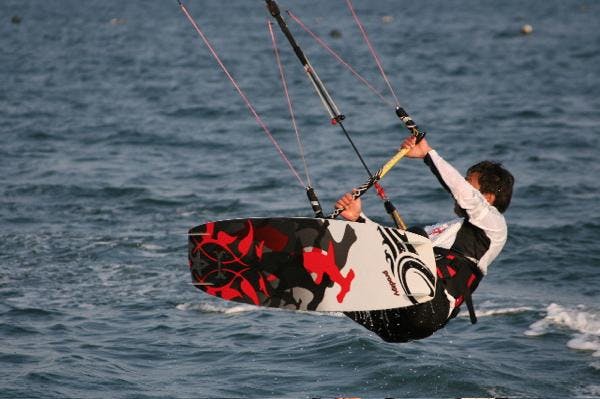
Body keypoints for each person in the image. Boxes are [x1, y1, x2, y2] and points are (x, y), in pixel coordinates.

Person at [335, 135, 515, 342]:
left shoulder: (495, 225)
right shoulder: (447, 229)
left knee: (415, 238)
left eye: (468, 182)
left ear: (488, 197)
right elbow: (392, 242)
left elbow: (463, 193)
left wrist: (428, 154)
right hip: (397, 326)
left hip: (429, 310)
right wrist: (358, 218)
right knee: (397, 245)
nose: (462, 186)